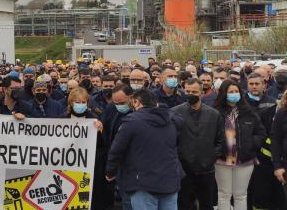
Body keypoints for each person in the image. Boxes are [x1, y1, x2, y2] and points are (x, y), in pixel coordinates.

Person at [106, 89, 184, 210]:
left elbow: (116, 150)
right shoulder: (171, 120)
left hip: (142, 182)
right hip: (169, 179)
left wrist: (110, 172)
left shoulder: (132, 121)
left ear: (137, 102)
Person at [213, 79, 266, 210]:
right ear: (224, 93)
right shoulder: (215, 112)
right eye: (231, 91)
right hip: (222, 160)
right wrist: (215, 151)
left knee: (241, 195)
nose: (234, 94)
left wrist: (251, 145)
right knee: (224, 194)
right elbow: (209, 134)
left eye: (236, 91)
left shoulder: (249, 112)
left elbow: (261, 133)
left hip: (245, 159)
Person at [172, 78, 223, 210]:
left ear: (201, 93)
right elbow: (172, 139)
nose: (190, 94)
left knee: (207, 203)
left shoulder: (213, 114)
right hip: (184, 169)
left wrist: (212, 157)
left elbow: (220, 140)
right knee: (184, 203)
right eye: (187, 91)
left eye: (194, 91)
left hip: (206, 169)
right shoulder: (175, 112)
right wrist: (180, 157)